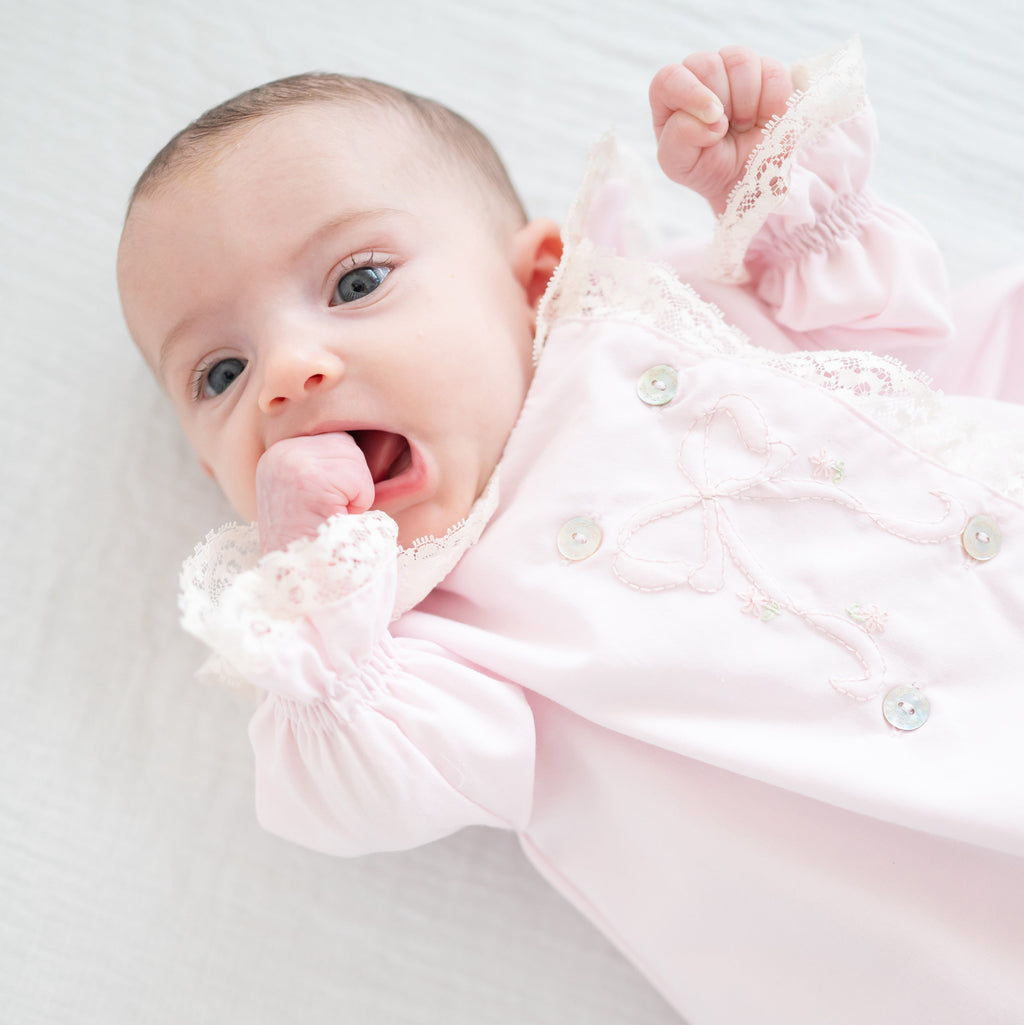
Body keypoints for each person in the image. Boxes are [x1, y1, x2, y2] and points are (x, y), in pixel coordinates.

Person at [117, 38, 1024, 1025]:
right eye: (221, 374)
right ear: (214, 473)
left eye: (357, 281)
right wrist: (317, 584)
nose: (289, 371)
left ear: (534, 281)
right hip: (929, 925)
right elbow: (367, 792)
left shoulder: (654, 320)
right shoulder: (414, 644)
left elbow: (888, 351)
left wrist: (771, 196)